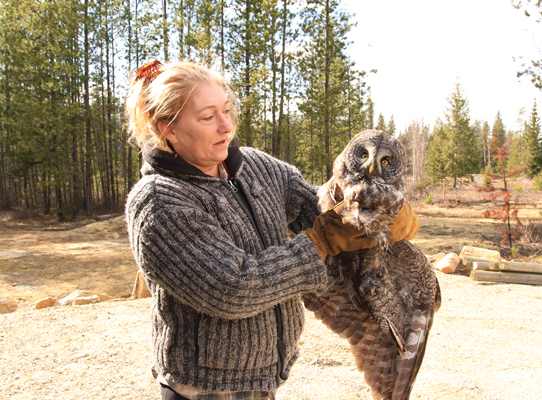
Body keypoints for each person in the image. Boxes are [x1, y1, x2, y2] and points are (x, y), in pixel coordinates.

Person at [125, 60, 419, 400]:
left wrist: (376, 210)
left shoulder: (255, 166)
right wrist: (319, 242)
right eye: (208, 117)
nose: (226, 127)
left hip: (262, 381)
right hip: (202, 389)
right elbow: (232, 288)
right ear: (168, 128)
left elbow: (315, 207)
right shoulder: (159, 201)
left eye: (226, 110)